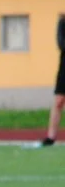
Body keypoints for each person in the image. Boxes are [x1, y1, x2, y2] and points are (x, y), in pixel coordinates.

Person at [39, 14, 65, 147]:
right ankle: (51, 137)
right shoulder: (62, 22)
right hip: (64, 68)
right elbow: (61, 44)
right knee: (59, 101)